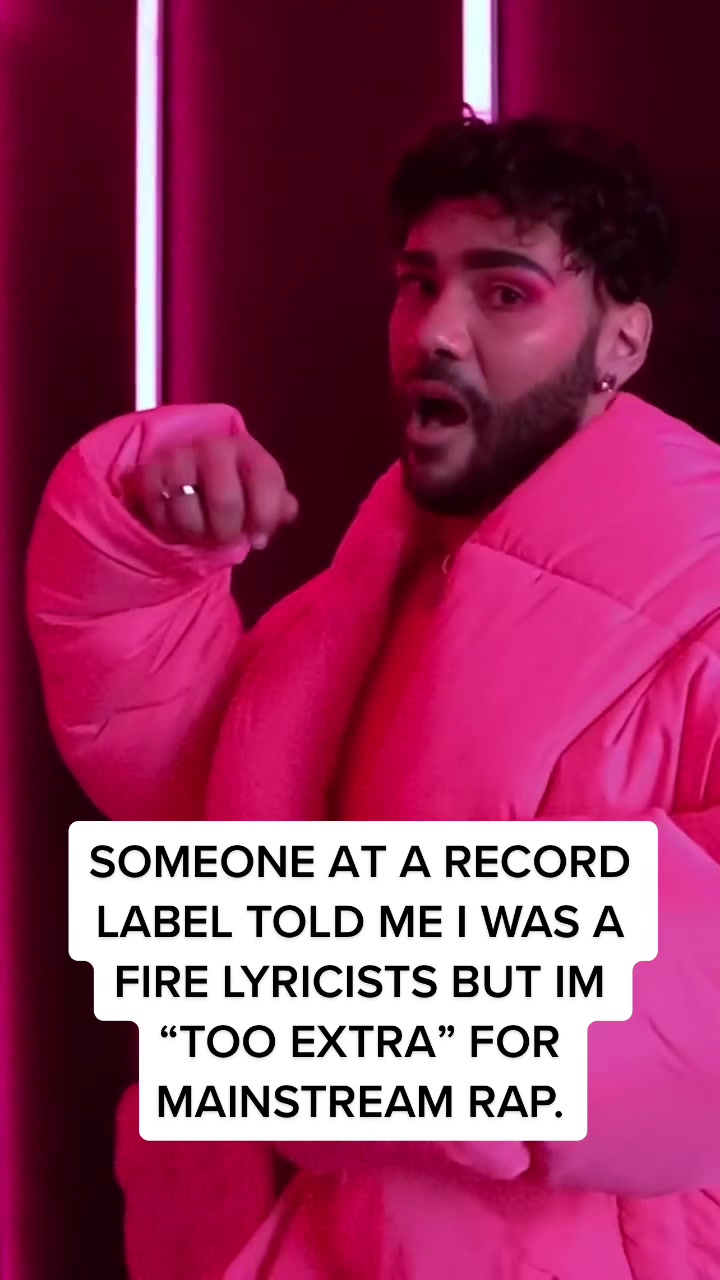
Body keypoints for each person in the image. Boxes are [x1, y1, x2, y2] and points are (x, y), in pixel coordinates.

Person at [27, 112, 720, 1279]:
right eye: (417, 283)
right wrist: (144, 533)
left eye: (505, 292)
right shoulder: (364, 596)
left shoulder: (704, 598)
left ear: (622, 338)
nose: (434, 330)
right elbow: (190, 796)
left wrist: (258, 979)